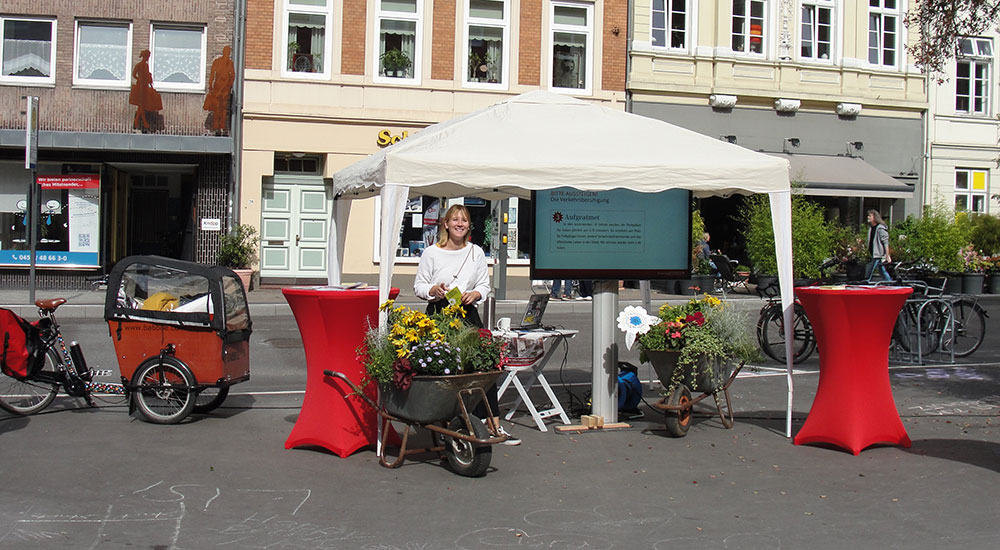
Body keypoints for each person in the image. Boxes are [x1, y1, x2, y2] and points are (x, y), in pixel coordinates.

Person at [414, 204, 520, 446]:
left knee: (484, 366)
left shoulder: (475, 253)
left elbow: (484, 285)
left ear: (469, 225)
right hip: (439, 315)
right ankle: (444, 426)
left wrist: (476, 294)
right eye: (455, 220)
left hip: (468, 315)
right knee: (444, 371)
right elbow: (418, 286)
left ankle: (493, 425)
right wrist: (433, 290)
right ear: (446, 224)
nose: (459, 224)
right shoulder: (432, 253)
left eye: (464, 220)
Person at [203, 46, 235, 134]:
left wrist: (229, 86)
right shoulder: (218, 62)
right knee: (217, 109)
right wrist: (210, 86)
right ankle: (217, 128)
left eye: (228, 52)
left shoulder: (230, 63)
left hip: (224, 89)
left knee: (223, 109)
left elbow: (232, 76)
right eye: (226, 51)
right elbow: (212, 74)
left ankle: (222, 128)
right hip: (218, 88)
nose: (227, 53)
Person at [129, 50, 162, 131]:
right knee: (142, 105)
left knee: (142, 105)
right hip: (141, 88)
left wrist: (144, 81)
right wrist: (141, 80)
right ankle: (143, 122)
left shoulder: (143, 65)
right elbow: (134, 74)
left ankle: (137, 122)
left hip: (143, 86)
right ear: (145, 56)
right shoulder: (141, 65)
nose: (148, 58)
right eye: (148, 57)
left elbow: (141, 75)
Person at [864, 209, 892, 282]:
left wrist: (887, 255)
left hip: (877, 254)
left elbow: (885, 242)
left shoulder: (880, 229)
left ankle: (866, 283)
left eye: (870, 216)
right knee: (882, 270)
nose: (868, 217)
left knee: (869, 271)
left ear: (874, 217)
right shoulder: (871, 228)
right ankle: (890, 282)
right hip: (872, 253)